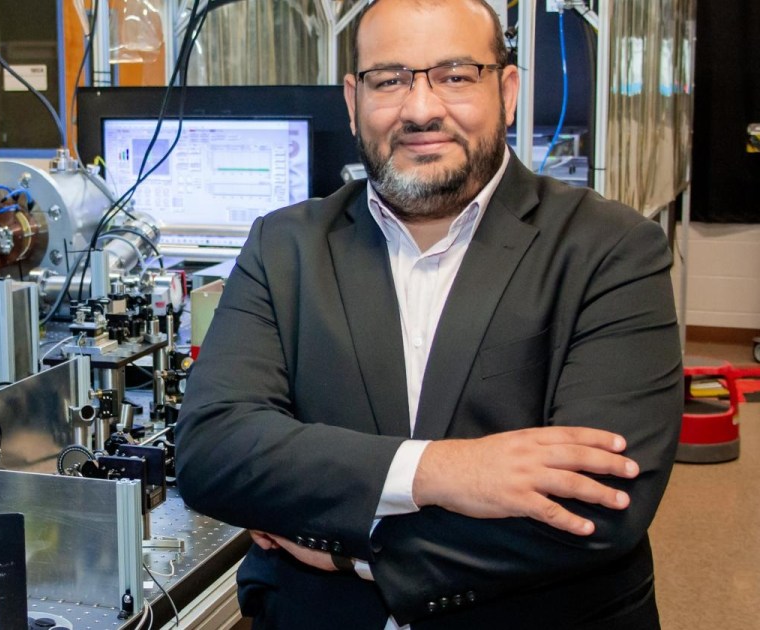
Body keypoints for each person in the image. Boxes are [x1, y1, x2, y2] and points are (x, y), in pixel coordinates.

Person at [173, 0, 683, 628]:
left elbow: (596, 505)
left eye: (456, 75)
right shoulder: (284, 247)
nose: (420, 109)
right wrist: (440, 470)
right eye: (389, 79)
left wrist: (350, 551)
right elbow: (213, 452)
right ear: (353, 100)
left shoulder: (610, 248)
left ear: (508, 91)